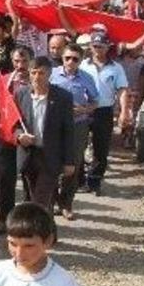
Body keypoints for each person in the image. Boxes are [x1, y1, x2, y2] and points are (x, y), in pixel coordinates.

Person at [14, 58, 75, 212]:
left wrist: (69, 161)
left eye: (41, 73)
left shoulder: (63, 97)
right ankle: (47, 232)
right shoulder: (21, 94)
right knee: (36, 199)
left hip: (50, 157)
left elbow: (69, 130)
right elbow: (14, 123)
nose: (36, 77)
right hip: (29, 155)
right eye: (33, 73)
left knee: (41, 200)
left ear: (49, 74)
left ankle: (41, 232)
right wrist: (20, 136)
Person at [50, 44, 98, 219]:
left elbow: (95, 101)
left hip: (77, 124)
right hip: (54, 124)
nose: (71, 62)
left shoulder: (86, 77)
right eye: (67, 58)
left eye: (75, 59)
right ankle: (53, 201)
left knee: (75, 163)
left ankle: (66, 203)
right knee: (52, 161)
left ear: (80, 60)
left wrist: (84, 110)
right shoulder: (52, 74)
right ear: (62, 58)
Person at [79, 32, 130, 195]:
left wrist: (123, 112)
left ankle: (94, 182)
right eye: (94, 46)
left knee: (101, 149)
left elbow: (122, 90)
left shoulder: (116, 68)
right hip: (84, 110)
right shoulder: (82, 65)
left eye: (101, 46)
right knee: (78, 146)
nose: (97, 50)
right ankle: (79, 180)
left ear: (108, 47)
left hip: (104, 111)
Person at [0, 46, 32, 234]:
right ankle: (4, 219)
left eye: (24, 61)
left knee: (28, 178)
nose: (20, 65)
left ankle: (27, 220)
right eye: (17, 61)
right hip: (5, 135)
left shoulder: (37, 81)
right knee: (5, 179)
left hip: (27, 136)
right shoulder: (5, 80)